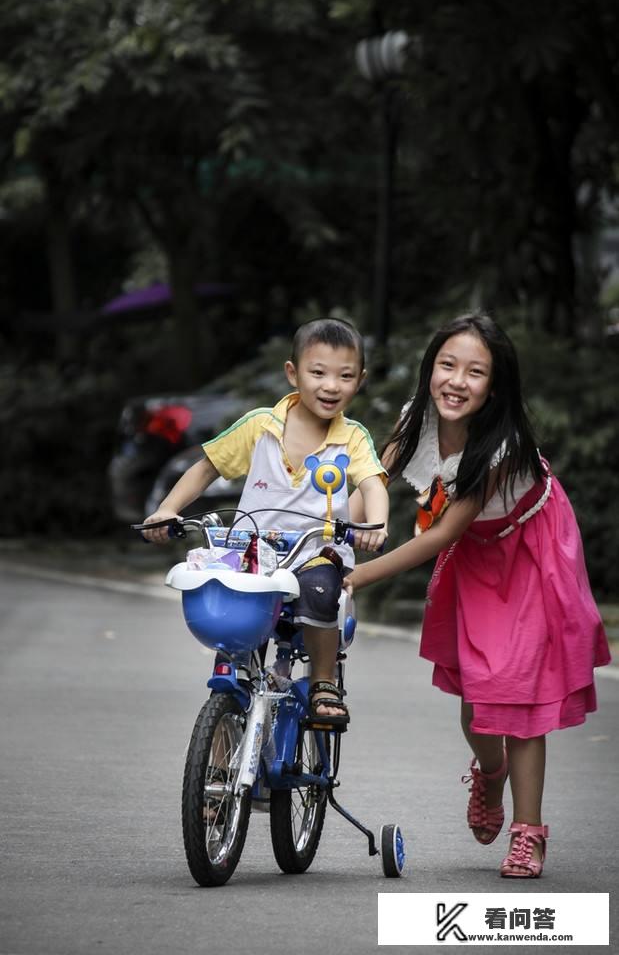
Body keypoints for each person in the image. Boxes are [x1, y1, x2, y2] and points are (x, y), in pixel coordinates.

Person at [345, 312, 610, 877]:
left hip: (531, 551)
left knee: (521, 703)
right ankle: (490, 774)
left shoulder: (502, 447)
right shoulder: (417, 416)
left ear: (495, 385)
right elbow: (373, 478)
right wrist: (338, 527)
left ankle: (528, 832)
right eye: (447, 365)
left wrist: (355, 575)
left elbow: (442, 532)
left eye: (475, 372)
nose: (456, 381)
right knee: (478, 706)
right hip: (478, 555)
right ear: (430, 367)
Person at [143, 317, 389, 727]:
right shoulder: (261, 426)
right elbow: (207, 467)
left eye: (345, 376)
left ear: (359, 380)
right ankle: (219, 760)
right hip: (253, 558)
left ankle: (324, 681)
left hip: (314, 552)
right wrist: (168, 509)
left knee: (321, 589)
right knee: (231, 673)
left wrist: (376, 523)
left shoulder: (354, 438)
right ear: (293, 373)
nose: (331, 385)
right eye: (318, 372)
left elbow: (372, 483)